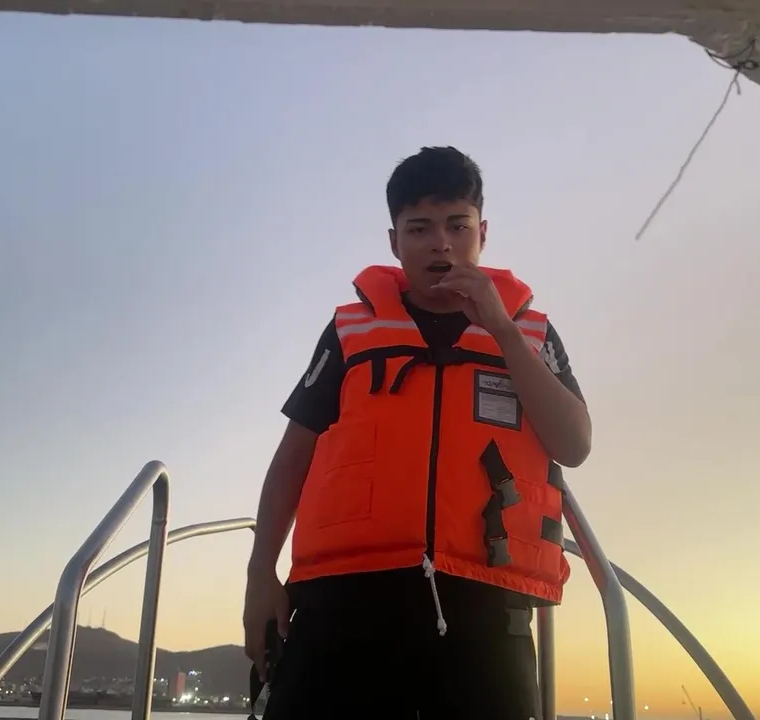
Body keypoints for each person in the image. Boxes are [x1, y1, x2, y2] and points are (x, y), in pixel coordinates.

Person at [242, 146, 592, 720]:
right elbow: (292, 458)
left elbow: (574, 444)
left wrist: (501, 331)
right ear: (394, 241)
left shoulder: (529, 332)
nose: (441, 244)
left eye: (458, 226)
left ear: (483, 233)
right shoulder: (351, 330)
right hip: (343, 600)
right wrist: (261, 574)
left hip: (485, 608)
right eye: (419, 228)